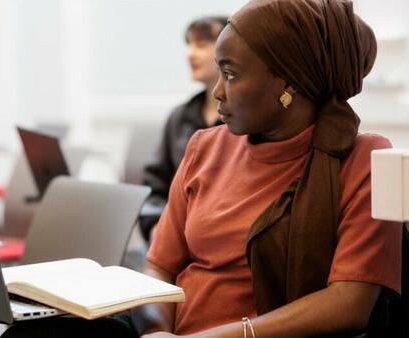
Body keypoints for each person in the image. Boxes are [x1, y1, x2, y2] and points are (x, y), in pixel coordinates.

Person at [134, 0, 402, 337]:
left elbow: (349, 303)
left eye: (230, 74)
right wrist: (156, 332)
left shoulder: (363, 160)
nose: (217, 92)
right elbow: (158, 266)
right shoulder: (204, 146)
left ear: (289, 84)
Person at [140, 16, 227, 242]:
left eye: (201, 44)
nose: (190, 53)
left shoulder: (247, 120)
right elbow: (155, 185)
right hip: (173, 236)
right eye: (189, 44)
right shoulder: (179, 117)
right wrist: (155, 226)